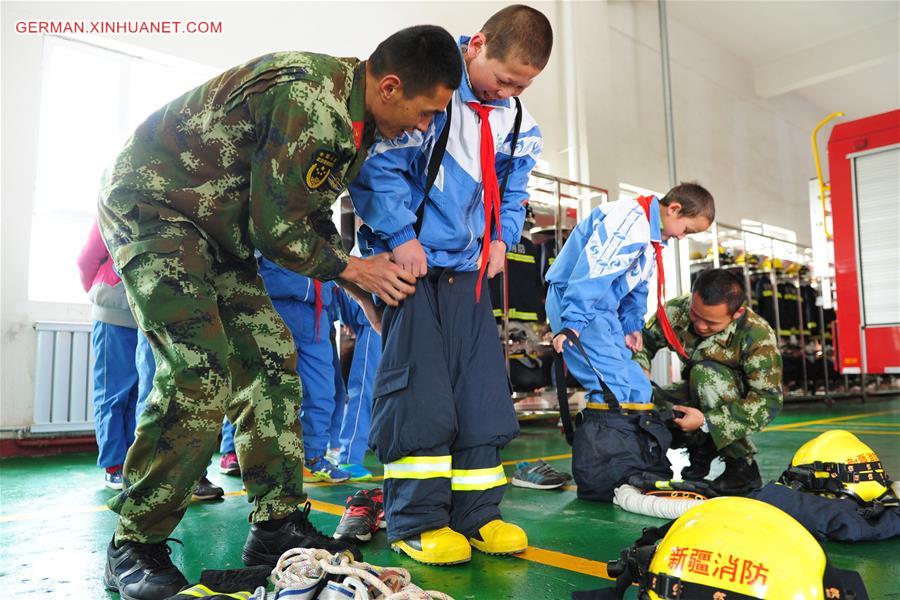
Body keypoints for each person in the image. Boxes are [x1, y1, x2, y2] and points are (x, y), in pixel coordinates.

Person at [98, 25, 461, 600]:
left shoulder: (355, 120)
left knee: (270, 359)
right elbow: (276, 230)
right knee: (200, 370)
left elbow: (301, 210)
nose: (424, 126)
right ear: (390, 86)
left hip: (219, 226)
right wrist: (356, 269)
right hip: (157, 203)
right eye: (426, 112)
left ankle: (276, 527)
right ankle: (133, 542)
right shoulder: (313, 101)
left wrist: (357, 288)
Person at [350, 5, 552, 565]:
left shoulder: (516, 120)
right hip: (408, 265)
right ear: (477, 45)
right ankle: (417, 521)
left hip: (468, 271)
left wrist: (500, 240)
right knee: (421, 396)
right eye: (505, 77)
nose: (510, 90)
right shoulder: (431, 93)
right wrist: (398, 235)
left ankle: (479, 514)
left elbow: (513, 192)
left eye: (524, 84)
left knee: (480, 395)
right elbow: (378, 169)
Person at [546, 183, 714, 502]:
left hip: (604, 308)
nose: (682, 237)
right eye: (686, 230)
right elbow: (591, 273)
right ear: (674, 209)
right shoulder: (628, 222)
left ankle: (636, 464)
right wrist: (572, 324)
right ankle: (609, 471)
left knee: (638, 385)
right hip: (579, 303)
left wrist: (631, 325)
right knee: (614, 387)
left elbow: (638, 282)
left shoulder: (652, 237)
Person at [633, 268, 783, 496]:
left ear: (736, 313)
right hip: (692, 390)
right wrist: (641, 368)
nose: (700, 326)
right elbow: (642, 342)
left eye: (711, 322)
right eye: (695, 315)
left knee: (706, 374)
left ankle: (742, 467)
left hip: (729, 399)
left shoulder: (757, 335)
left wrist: (707, 422)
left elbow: (768, 400)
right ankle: (695, 448)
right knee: (645, 399)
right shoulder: (677, 311)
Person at [77, 219, 139, 490]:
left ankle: (135, 462)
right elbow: (87, 258)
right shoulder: (112, 204)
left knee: (140, 393)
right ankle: (114, 465)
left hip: (150, 313)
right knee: (113, 392)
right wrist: (103, 289)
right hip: (114, 309)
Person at [333, 286, 383, 481]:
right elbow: (346, 277)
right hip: (375, 320)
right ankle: (350, 456)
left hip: (404, 320)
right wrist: (346, 316)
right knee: (364, 388)